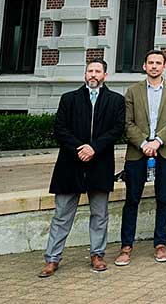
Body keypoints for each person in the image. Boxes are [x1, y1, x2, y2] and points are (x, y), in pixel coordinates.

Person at [39, 60, 125, 277]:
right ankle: (52, 258)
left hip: (100, 164)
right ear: (85, 74)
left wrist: (94, 148)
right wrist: (80, 148)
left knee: (100, 214)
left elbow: (117, 129)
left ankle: (97, 255)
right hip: (70, 164)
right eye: (89, 71)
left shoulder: (116, 101)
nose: (93, 75)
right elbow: (60, 128)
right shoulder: (69, 99)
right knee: (62, 215)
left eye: (97, 71)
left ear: (105, 75)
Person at [116, 50, 166, 266]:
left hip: (165, 151)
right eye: (150, 63)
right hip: (138, 152)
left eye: (158, 63)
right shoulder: (132, 91)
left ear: (165, 67)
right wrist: (144, 143)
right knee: (132, 199)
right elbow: (127, 123)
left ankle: (160, 244)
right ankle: (126, 247)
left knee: (164, 198)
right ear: (144, 66)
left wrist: (158, 142)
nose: (154, 66)